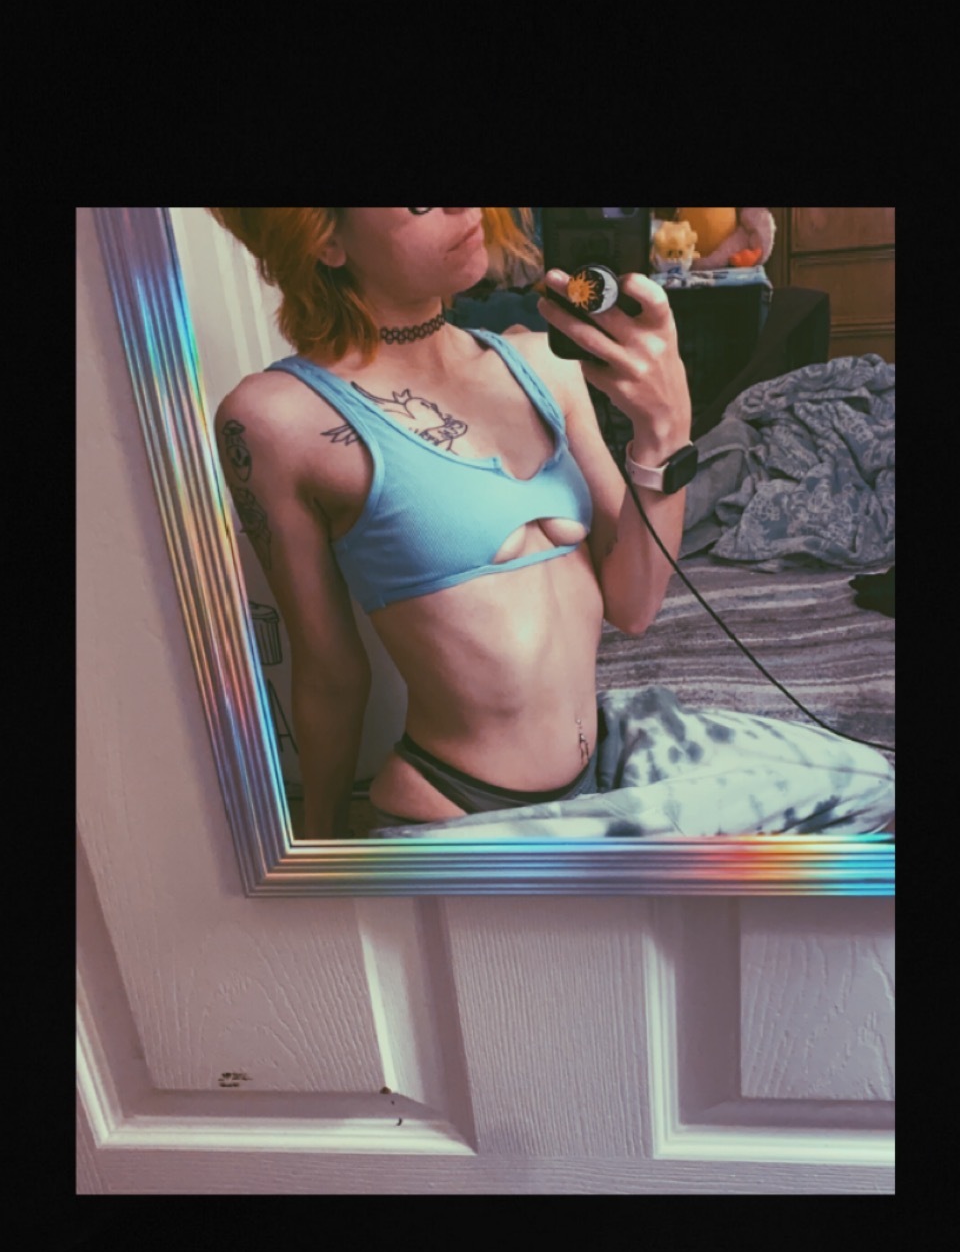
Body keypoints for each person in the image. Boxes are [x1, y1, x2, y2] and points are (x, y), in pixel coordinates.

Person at [207, 208, 894, 842]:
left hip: (606, 759)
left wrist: (666, 429)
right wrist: (318, 856)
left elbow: (633, 606)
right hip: (463, 809)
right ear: (325, 237)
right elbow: (329, 671)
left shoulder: (539, 363)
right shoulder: (277, 420)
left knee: (875, 791)